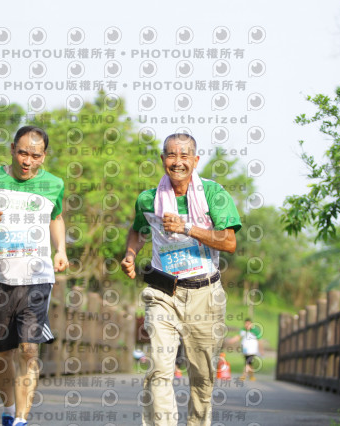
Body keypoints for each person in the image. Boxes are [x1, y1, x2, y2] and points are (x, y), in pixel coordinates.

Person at [121, 133, 241, 426]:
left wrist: (188, 228)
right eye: (171, 156)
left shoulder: (214, 194)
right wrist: (130, 254)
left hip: (205, 294)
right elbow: (138, 230)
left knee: (202, 377)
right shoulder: (148, 199)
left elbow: (228, 242)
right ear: (162, 160)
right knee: (160, 370)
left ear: (196, 161)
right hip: (163, 293)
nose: (178, 162)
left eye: (184, 156)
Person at [0, 126, 68, 426]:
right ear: (11, 149)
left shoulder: (54, 184)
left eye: (35, 155)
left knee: (29, 348)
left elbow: (55, 217)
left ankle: (21, 419)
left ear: (44, 157)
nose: (27, 161)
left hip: (37, 278)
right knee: (1, 352)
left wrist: (61, 250)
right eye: (22, 152)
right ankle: (8, 410)